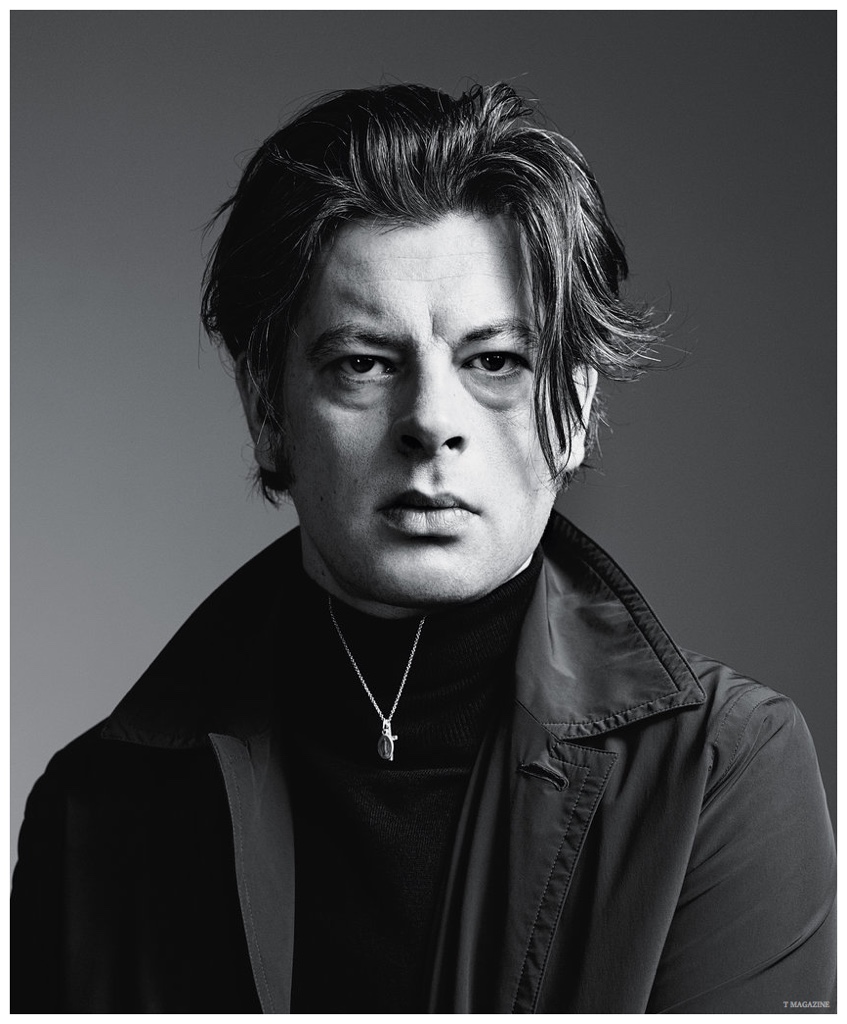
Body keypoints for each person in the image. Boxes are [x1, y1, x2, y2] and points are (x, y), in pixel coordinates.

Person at [11, 82, 835, 1014]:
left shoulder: (722, 767)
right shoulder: (96, 806)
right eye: (363, 363)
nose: (431, 422)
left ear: (574, 412)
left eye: (495, 362)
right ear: (267, 411)